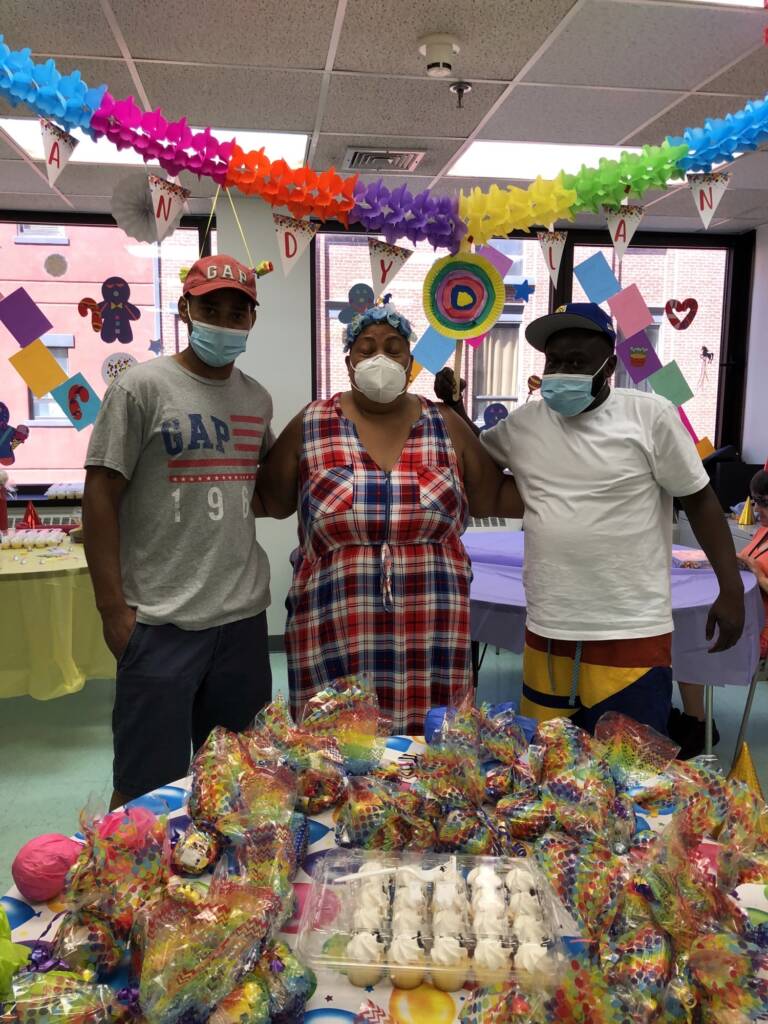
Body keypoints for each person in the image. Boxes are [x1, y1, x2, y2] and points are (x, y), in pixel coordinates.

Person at [437, 302, 744, 735]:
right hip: (548, 626)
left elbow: (700, 501)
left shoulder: (650, 416)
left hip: (631, 627)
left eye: (577, 361)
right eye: (554, 361)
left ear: (610, 366)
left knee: (629, 774)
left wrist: (729, 589)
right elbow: (477, 465)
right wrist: (452, 410)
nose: (561, 371)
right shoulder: (525, 424)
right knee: (551, 772)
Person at [253, 301, 521, 734]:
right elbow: (270, 499)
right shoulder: (312, 423)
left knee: (433, 764)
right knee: (335, 765)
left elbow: (492, 497)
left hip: (433, 638)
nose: (380, 358)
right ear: (349, 360)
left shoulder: (445, 424)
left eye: (394, 348)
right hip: (334, 633)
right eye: (367, 348)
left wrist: (575, 475)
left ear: (410, 362)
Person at [83, 254, 274, 808]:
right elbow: (100, 496)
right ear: (186, 308)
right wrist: (112, 610)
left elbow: (257, 491)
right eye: (209, 307)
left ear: (251, 321)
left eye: (236, 312)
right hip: (159, 620)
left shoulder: (257, 399)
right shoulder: (142, 388)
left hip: (240, 619)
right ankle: (134, 888)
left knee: (237, 783)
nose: (223, 321)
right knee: (146, 786)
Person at [671, 464, 768, 756]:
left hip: (759, 630)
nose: (756, 510)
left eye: (764, 503)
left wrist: (758, 575)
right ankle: (694, 718)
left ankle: (698, 725)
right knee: (684, 635)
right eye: (755, 501)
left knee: (692, 642)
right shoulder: (762, 532)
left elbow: (757, 573)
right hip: (748, 616)